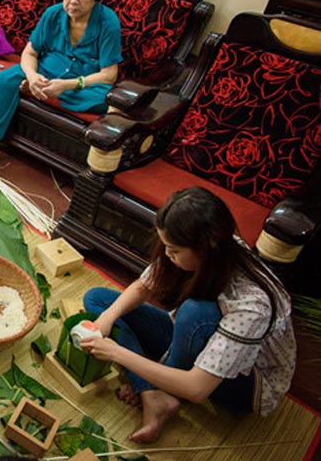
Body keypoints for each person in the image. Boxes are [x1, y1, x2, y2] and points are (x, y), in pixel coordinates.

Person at [81, 187, 295, 443]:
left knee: (195, 311)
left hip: (245, 381)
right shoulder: (217, 250)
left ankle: (159, 390)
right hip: (197, 337)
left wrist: (115, 352)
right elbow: (143, 286)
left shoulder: (252, 305)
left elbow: (197, 388)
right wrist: (105, 322)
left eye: (174, 250)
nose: (167, 255)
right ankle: (152, 394)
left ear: (206, 249)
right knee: (97, 300)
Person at [0, 0, 122, 170]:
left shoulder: (108, 22)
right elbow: (29, 54)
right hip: (45, 70)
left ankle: (37, 90)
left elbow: (109, 74)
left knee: (109, 101)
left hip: (83, 82)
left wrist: (67, 85)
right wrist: (32, 76)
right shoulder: (53, 14)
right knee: (0, 80)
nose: (73, 0)